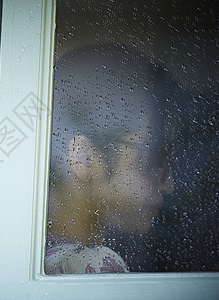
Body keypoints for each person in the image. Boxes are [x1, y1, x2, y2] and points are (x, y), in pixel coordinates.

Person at [45, 43, 181, 274]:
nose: (169, 185)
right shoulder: (95, 265)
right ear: (85, 158)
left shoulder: (31, 257)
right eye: (154, 158)